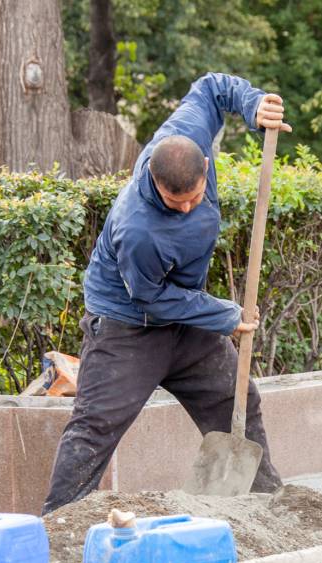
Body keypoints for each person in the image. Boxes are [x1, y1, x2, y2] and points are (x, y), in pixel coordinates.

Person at [42, 73, 290, 515]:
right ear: (154, 180)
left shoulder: (187, 134)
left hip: (184, 325)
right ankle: (58, 523)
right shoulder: (138, 228)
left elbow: (213, 87)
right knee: (95, 426)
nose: (186, 208)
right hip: (127, 327)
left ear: (206, 169)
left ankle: (264, 506)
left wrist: (254, 106)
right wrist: (223, 314)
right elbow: (151, 298)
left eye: (193, 199)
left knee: (236, 396)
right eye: (174, 203)